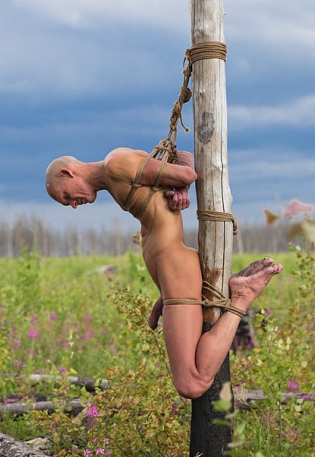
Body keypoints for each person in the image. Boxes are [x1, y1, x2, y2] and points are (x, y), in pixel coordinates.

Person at [45, 148, 283, 399]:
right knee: (190, 379)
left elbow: (187, 171)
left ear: (67, 173)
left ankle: (242, 296)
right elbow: (176, 172)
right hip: (172, 275)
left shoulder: (116, 164)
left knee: (192, 383)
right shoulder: (113, 175)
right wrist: (164, 292)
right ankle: (238, 296)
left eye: (66, 196)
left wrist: (183, 186)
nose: (73, 205)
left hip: (176, 268)